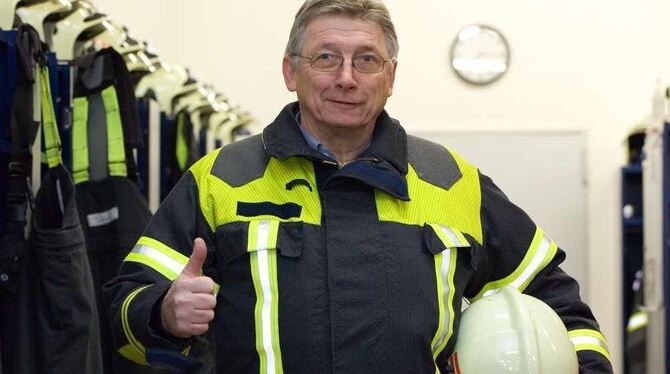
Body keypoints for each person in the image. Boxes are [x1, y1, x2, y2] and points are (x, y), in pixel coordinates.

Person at [105, 0, 614, 372]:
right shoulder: (221, 179)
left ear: (390, 77)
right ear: (291, 71)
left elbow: (557, 303)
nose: (346, 77)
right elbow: (123, 311)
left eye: (366, 60)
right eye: (326, 57)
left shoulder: (452, 182)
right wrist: (163, 313)